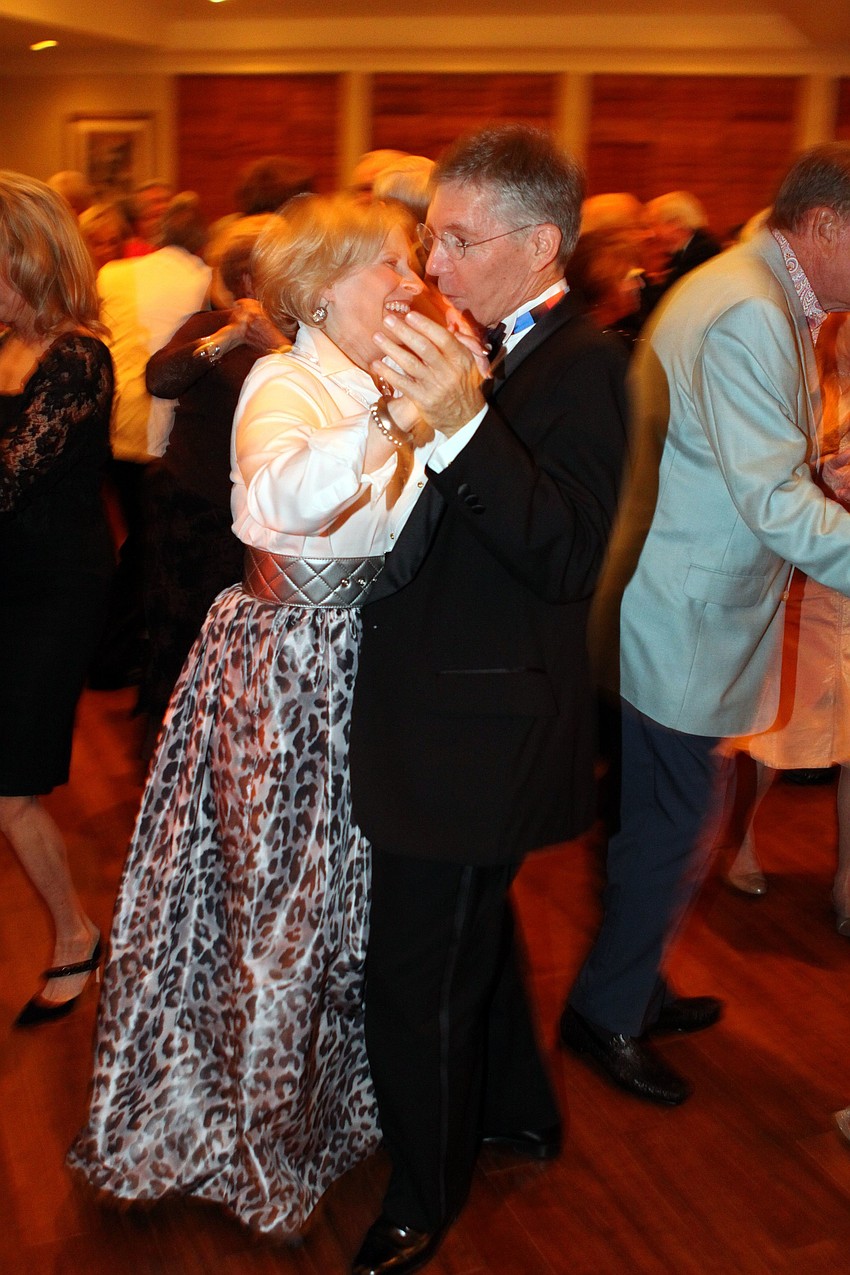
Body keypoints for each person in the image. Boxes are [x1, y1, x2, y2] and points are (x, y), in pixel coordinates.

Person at [67, 194, 456, 1237]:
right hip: (287, 670)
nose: (408, 282)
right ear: (323, 287)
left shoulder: (374, 376)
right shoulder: (283, 381)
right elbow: (281, 500)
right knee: (276, 912)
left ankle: (333, 1112)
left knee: (344, 910)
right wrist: (398, 418)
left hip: (367, 661)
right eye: (389, 264)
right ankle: (250, 1135)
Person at [347, 124, 628, 1275]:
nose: (434, 264)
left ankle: (423, 1192)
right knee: (471, 934)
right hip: (449, 707)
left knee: (416, 972)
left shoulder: (587, 363)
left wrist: (459, 420)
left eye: (457, 242)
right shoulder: (499, 345)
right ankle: (519, 1111)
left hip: (482, 731)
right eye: (428, 236)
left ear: (539, 243)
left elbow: (564, 557)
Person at [561, 143, 850, 1109]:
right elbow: (769, 504)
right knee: (675, 824)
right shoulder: (750, 309)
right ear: (826, 226)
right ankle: (605, 1011)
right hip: (683, 612)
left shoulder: (751, 288)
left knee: (669, 816)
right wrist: (805, 493)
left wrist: (817, 479)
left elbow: (747, 466)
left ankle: (631, 983)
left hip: (685, 595)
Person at [0, 171, 114, 1025]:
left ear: (30, 259)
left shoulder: (77, 355)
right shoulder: (2, 342)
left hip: (51, 592)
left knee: (10, 784)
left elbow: (9, 480)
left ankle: (75, 933)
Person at [140, 217, 292, 736]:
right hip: (194, 505)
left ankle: (227, 735)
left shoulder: (304, 339)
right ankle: (173, 735)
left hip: (263, 517)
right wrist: (226, 339)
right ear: (246, 280)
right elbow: (160, 380)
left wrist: (272, 340)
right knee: (182, 624)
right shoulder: (209, 326)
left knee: (244, 637)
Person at [723, 311, 850, 922]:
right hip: (804, 585)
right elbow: (766, 484)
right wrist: (821, 481)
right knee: (775, 729)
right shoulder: (800, 387)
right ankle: (740, 841)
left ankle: (848, 877)